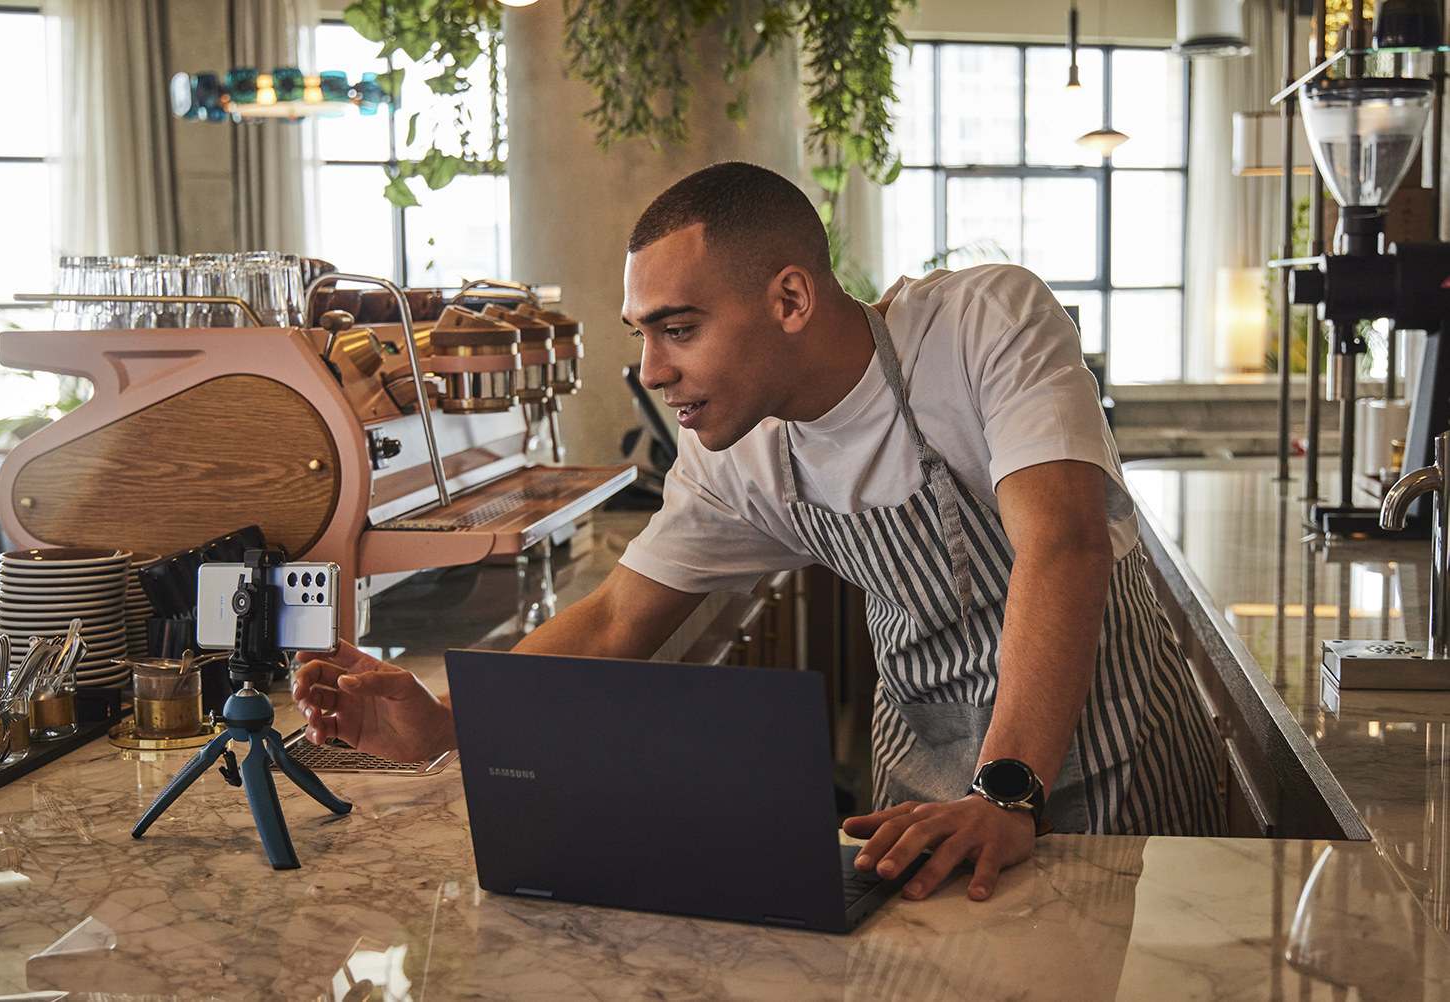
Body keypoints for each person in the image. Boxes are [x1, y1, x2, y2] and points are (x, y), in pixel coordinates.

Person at [293, 161, 1224, 903]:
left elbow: (1062, 546)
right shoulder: (733, 456)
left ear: (789, 300)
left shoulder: (982, 325)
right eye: (639, 335)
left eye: (678, 329)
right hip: (929, 793)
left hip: (1112, 762)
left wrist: (1008, 792)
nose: (653, 370)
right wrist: (452, 721)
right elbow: (618, 619)